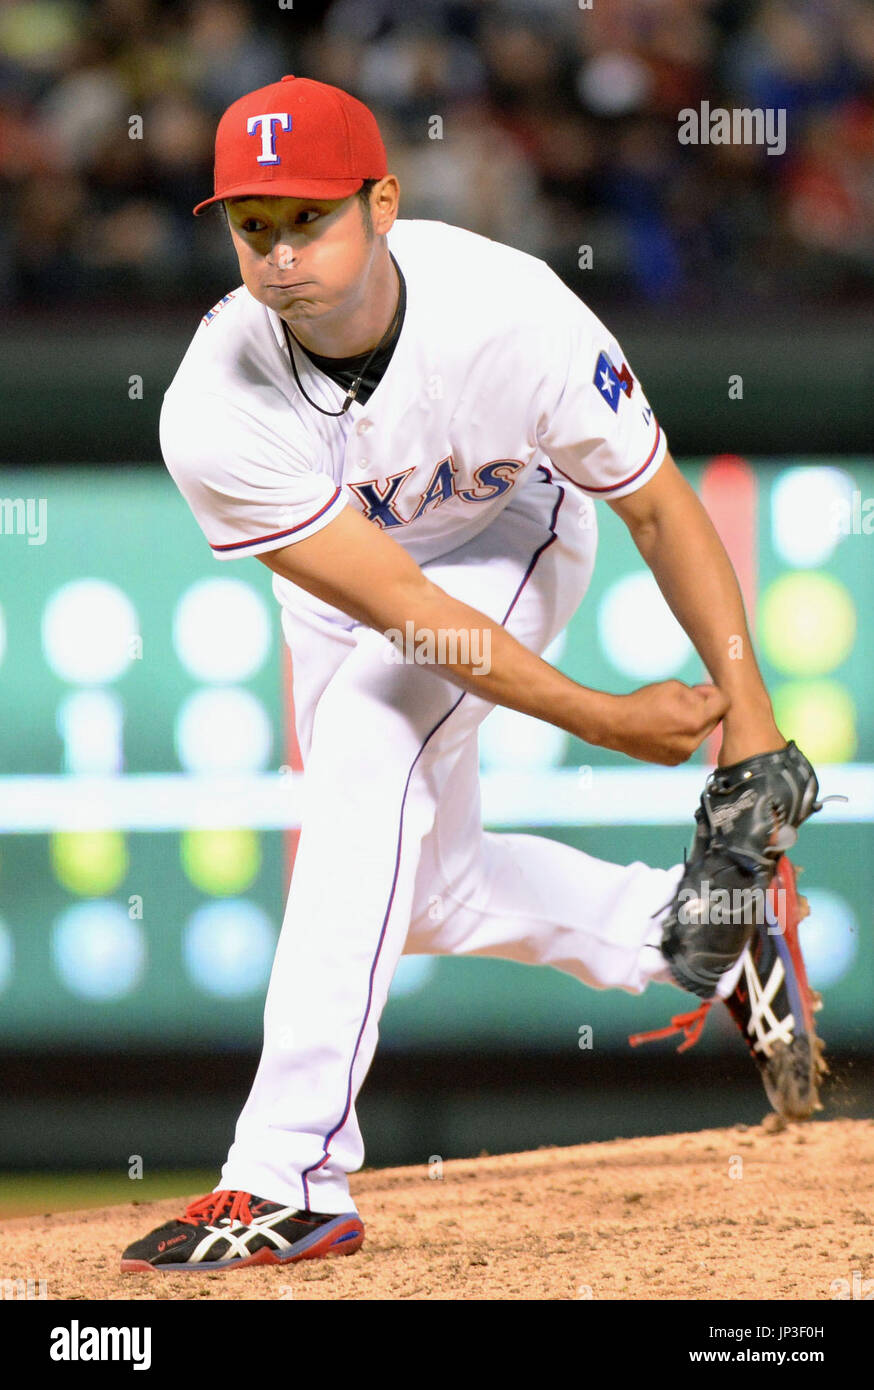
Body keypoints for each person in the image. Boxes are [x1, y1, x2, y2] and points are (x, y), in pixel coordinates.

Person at [121, 75, 823, 1275]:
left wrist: (746, 724)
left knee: (365, 757)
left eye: (309, 218)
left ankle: (285, 1176)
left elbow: (654, 504)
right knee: (422, 889)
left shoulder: (507, 309)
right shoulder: (211, 404)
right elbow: (403, 610)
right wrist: (603, 718)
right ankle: (695, 927)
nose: (280, 253)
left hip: (510, 528)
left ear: (381, 201)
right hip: (363, 584)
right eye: (254, 226)